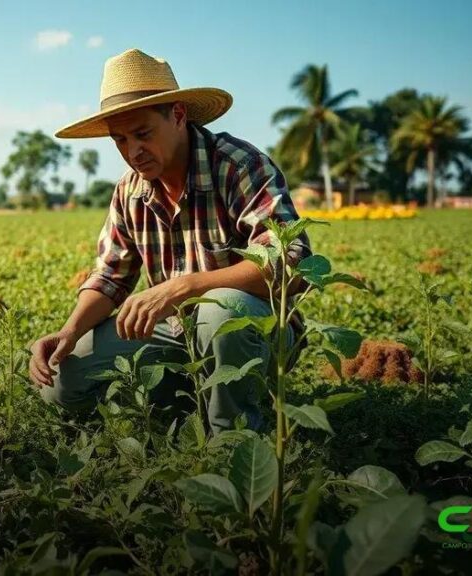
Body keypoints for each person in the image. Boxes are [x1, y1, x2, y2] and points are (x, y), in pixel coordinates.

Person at [28, 48, 311, 433]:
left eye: (143, 134)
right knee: (63, 381)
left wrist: (184, 288)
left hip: (257, 330)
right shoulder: (129, 192)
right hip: (173, 332)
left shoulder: (239, 166)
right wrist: (69, 330)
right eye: (120, 140)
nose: (133, 152)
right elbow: (111, 277)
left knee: (220, 310)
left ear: (178, 115)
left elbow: (289, 265)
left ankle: (233, 438)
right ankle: (183, 395)